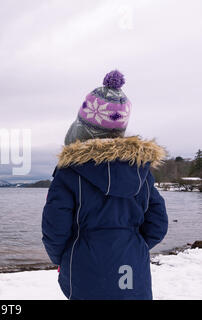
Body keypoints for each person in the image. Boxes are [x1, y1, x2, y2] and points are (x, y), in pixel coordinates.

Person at [41, 70, 168, 300]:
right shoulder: (141, 172)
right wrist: (133, 245)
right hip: (132, 272)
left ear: (83, 127)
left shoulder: (70, 172)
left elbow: (54, 229)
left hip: (84, 269)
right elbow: (158, 223)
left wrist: (65, 257)